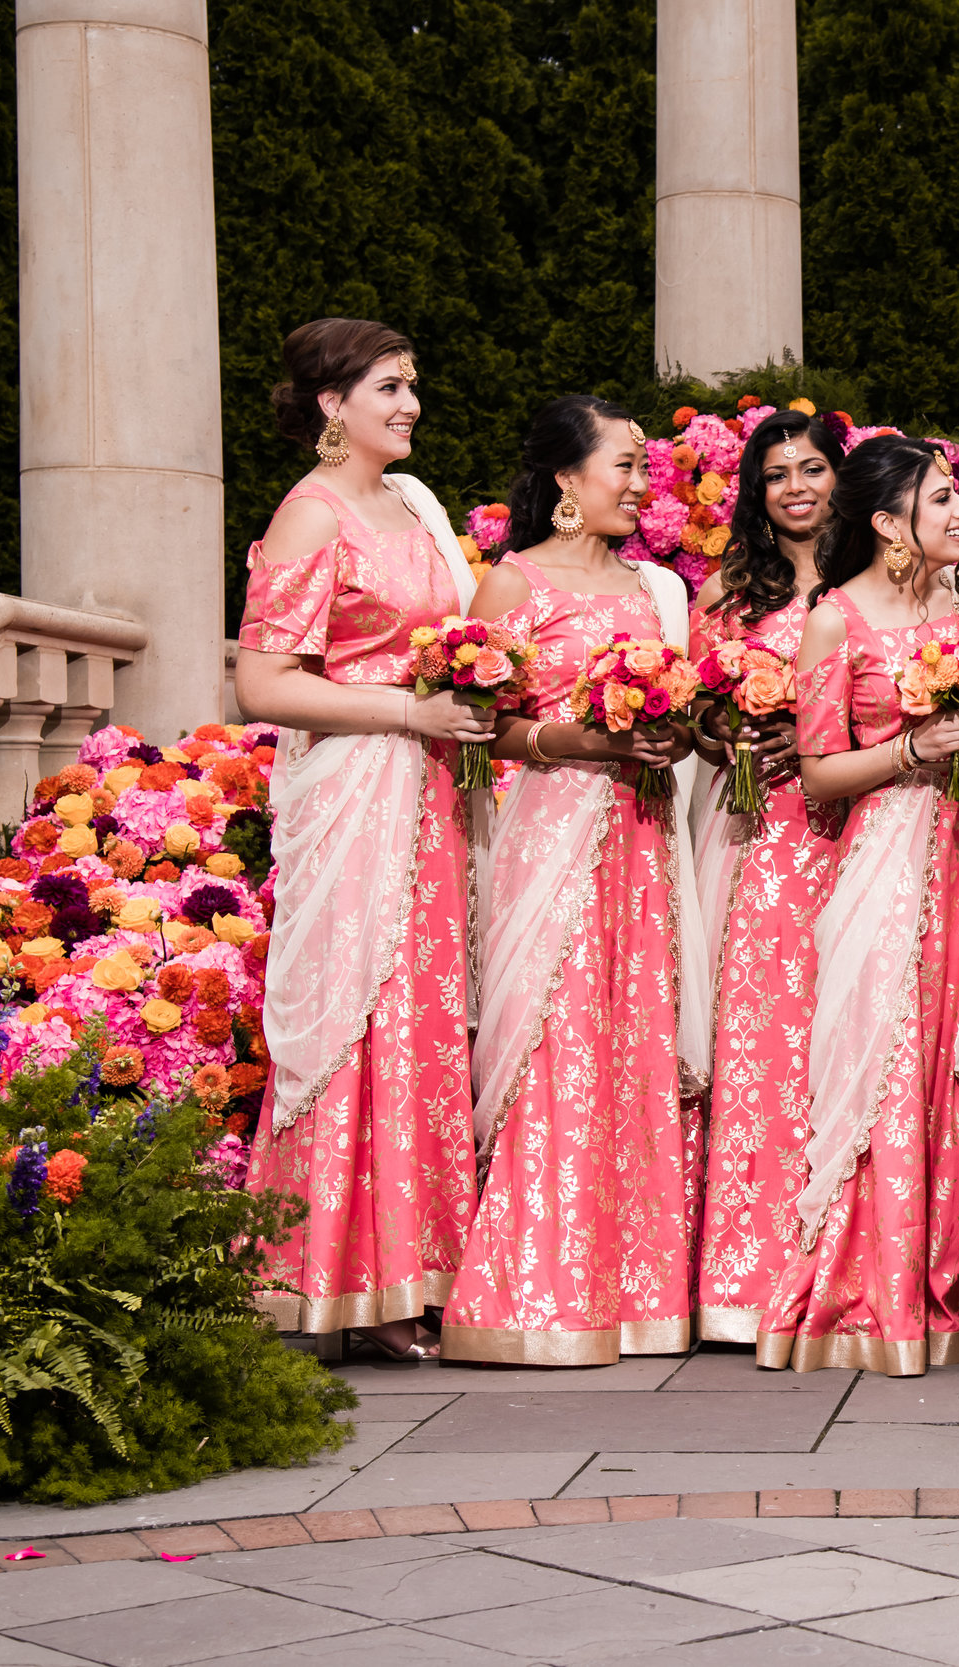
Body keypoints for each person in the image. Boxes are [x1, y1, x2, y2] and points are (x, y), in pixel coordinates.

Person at [442, 395, 709, 1364]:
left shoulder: (653, 592)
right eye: (624, 467)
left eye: (646, 468)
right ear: (565, 478)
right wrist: (579, 737)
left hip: (642, 833)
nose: (642, 485)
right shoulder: (511, 586)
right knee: (553, 1036)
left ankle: (633, 1294)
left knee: (633, 1036)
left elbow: (678, 713)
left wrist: (671, 729)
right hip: (552, 826)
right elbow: (483, 723)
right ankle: (533, 1290)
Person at [235, 319, 483, 1361]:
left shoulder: (413, 509)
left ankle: (402, 1279)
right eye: (388, 386)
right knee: (353, 1012)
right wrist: (405, 712)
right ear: (331, 404)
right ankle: (315, 1277)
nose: (410, 404)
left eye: (414, 384)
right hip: (357, 784)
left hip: (430, 788)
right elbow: (263, 681)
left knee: (420, 1014)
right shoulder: (312, 514)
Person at [757, 436, 959, 1374]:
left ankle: (958, 1284)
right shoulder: (834, 620)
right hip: (888, 860)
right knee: (888, 1061)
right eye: (941, 498)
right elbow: (821, 773)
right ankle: (873, 1286)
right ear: (884, 522)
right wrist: (916, 749)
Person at [690, 409, 849, 1344]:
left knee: (841, 1035)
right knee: (758, 1040)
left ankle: (836, 1264)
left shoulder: (873, 585)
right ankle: (746, 1281)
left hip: (845, 825)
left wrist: (819, 737)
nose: (795, 486)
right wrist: (730, 735)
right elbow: (692, 720)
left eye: (813, 469)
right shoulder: (727, 595)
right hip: (754, 832)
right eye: (777, 473)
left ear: (842, 481)